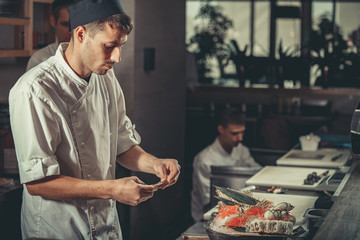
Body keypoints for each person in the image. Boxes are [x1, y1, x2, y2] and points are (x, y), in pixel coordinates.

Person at [9, 0, 180, 239]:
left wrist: (154, 164)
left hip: (105, 227)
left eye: (121, 45)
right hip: (58, 230)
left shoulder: (106, 79)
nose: (117, 56)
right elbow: (37, 182)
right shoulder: (34, 90)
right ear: (80, 34)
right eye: (109, 46)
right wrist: (112, 189)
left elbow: (122, 143)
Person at [191, 109, 261, 221]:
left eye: (242, 132)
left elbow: (257, 171)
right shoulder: (205, 160)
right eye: (235, 133)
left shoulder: (241, 150)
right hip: (207, 217)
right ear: (221, 129)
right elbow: (209, 200)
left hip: (238, 209)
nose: (240, 138)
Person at [26, 0, 75, 71]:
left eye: (75, 26)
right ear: (53, 21)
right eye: (65, 24)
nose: (71, 32)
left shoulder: (89, 59)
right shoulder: (40, 60)